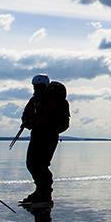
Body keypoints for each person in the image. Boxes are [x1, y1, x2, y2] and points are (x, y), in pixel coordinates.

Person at [19, 75, 70, 207]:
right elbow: (27, 114)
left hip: (48, 137)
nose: (36, 89)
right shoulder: (35, 100)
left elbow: (51, 120)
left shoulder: (55, 100)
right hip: (37, 135)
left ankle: (44, 194)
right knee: (32, 164)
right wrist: (27, 121)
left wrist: (32, 122)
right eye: (35, 87)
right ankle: (41, 192)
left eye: (38, 86)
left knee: (39, 165)